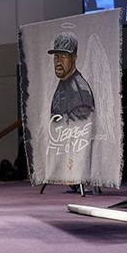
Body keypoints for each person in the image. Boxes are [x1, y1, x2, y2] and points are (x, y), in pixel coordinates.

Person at [45, 32, 95, 183]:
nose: (58, 62)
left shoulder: (80, 90)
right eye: (56, 57)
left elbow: (81, 135)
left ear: (74, 58)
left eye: (64, 56)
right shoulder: (63, 82)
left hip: (73, 161)